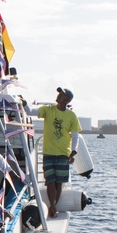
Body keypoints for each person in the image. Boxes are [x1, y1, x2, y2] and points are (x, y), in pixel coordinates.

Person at [37, 88, 82, 218]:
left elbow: (75, 136)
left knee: (59, 183)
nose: (58, 95)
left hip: (63, 152)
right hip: (48, 152)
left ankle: (53, 206)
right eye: (59, 93)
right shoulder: (48, 109)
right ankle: (53, 207)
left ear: (67, 100)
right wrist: (24, 104)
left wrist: (73, 151)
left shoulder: (72, 116)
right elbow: (31, 111)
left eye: (62, 94)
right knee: (50, 181)